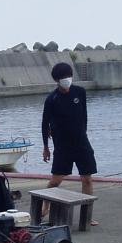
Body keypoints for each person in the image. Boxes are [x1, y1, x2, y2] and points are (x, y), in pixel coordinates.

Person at [41, 61, 98, 225]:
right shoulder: (51, 99)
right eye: (63, 77)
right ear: (57, 80)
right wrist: (46, 147)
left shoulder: (80, 92)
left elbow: (84, 115)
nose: (67, 79)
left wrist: (83, 134)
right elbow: (45, 124)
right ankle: (45, 206)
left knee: (87, 179)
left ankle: (87, 215)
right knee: (56, 181)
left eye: (68, 76)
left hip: (81, 143)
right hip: (62, 146)